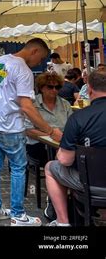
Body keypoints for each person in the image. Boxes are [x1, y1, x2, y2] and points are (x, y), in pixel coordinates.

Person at [0, 38, 63, 226]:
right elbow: (26, 106)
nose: (40, 62)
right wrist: (50, 130)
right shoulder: (24, 71)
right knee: (18, 168)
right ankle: (18, 214)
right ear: (34, 51)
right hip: (10, 126)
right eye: (41, 58)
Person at [45, 70, 106, 226]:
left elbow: (65, 160)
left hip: (92, 181)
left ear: (89, 89)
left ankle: (63, 221)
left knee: (50, 167)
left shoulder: (79, 117)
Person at [25, 72, 72, 167]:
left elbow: (72, 127)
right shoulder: (32, 105)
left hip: (62, 143)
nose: (54, 90)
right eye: (50, 87)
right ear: (42, 88)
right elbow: (28, 131)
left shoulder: (65, 104)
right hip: (38, 144)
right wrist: (52, 135)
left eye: (57, 87)